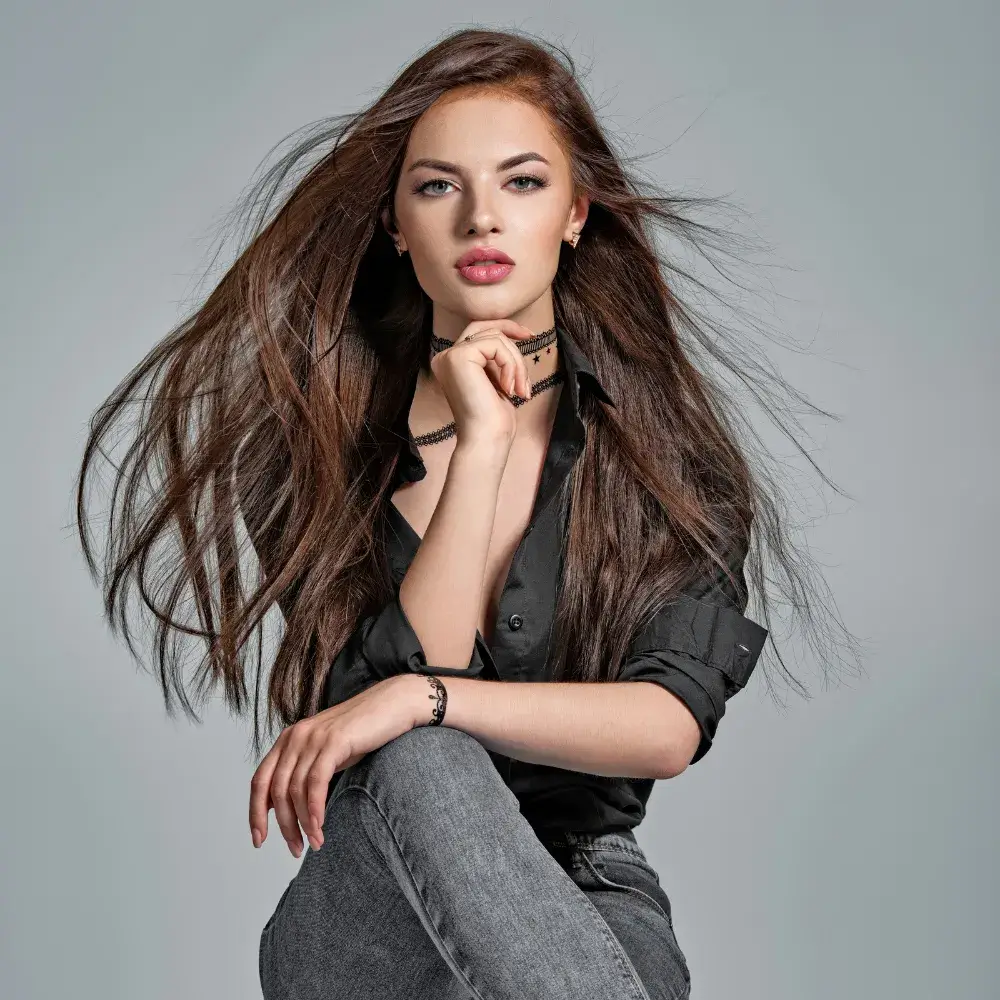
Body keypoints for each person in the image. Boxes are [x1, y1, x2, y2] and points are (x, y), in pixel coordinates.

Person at [74, 26, 862, 1000]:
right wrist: (481, 443)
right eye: (438, 186)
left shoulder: (668, 467)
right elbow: (405, 720)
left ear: (575, 213)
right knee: (423, 757)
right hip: (367, 906)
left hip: (587, 884)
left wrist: (424, 696)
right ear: (397, 226)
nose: (481, 218)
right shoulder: (305, 456)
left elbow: (665, 723)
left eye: (523, 183)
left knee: (608, 960)